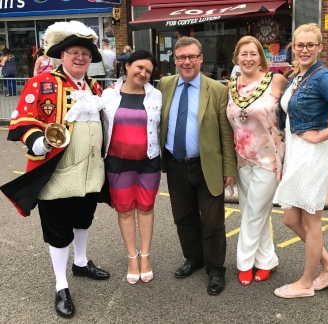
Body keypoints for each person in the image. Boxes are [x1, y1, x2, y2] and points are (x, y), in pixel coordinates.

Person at [0, 20, 110, 318]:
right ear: (62, 55)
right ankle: (61, 284)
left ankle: (82, 263)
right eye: (74, 52)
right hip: (57, 173)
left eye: (85, 54)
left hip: (90, 171)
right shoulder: (42, 83)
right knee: (59, 231)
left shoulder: (94, 86)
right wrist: (38, 141)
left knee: (84, 219)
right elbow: (23, 119)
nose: (80, 57)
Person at [272, 23, 328, 299]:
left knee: (311, 222)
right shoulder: (297, 75)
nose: (305, 49)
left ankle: (307, 282)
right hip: (298, 152)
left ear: (320, 47)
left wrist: (320, 136)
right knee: (290, 217)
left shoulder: (324, 77)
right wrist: (319, 119)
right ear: (293, 47)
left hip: (314, 154)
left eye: (311, 45)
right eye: (300, 44)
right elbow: (294, 112)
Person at [157, 36, 237, 295]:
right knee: (183, 218)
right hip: (176, 164)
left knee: (213, 222)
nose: (187, 62)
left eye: (192, 57)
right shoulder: (164, 84)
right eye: (181, 57)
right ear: (175, 60)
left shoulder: (217, 89)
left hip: (207, 166)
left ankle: (215, 270)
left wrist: (228, 169)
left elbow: (226, 133)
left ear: (201, 59)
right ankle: (193, 258)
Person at [226, 36, 288, 286]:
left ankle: (244, 263)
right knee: (254, 211)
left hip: (269, 157)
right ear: (236, 58)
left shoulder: (276, 80)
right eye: (243, 54)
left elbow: (300, 102)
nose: (248, 58)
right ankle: (267, 261)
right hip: (242, 158)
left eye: (253, 53)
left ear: (260, 57)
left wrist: (321, 119)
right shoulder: (231, 85)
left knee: (253, 212)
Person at [101, 49, 161, 284]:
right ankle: (132, 258)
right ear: (127, 66)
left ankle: (145, 258)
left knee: (146, 208)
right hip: (117, 162)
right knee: (125, 210)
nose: (143, 73)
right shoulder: (108, 95)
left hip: (149, 161)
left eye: (148, 71)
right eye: (139, 67)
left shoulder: (157, 96)